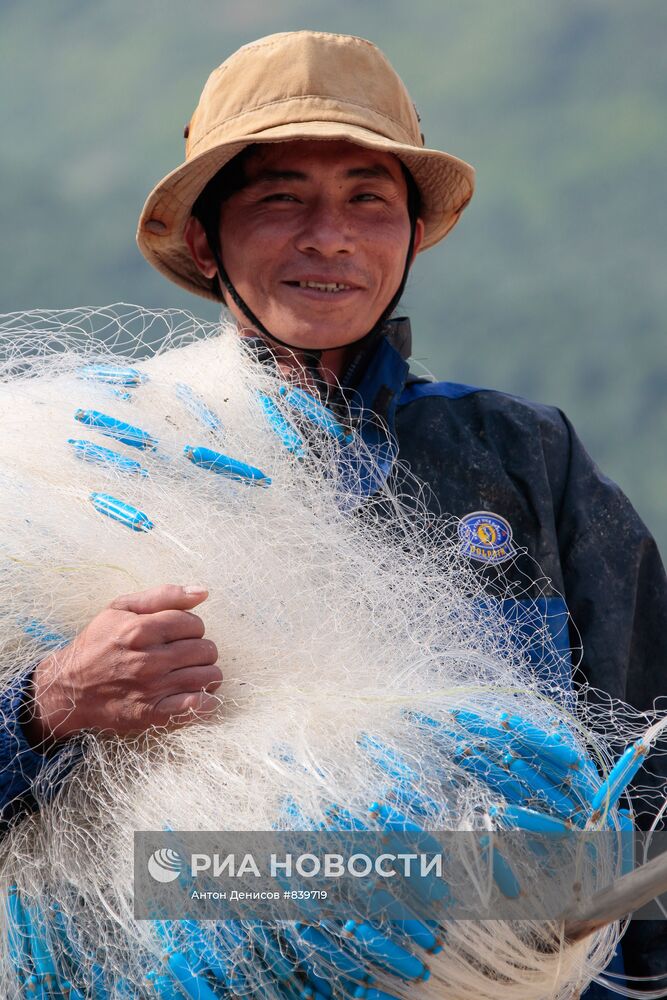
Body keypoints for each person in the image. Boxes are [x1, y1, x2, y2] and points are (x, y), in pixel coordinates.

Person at [1, 28, 666, 991]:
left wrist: (563, 952)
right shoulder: (80, 461)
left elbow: (649, 774)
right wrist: (52, 702)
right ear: (204, 238)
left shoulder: (523, 458)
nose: (331, 236)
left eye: (368, 197)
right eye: (281, 199)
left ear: (410, 234)